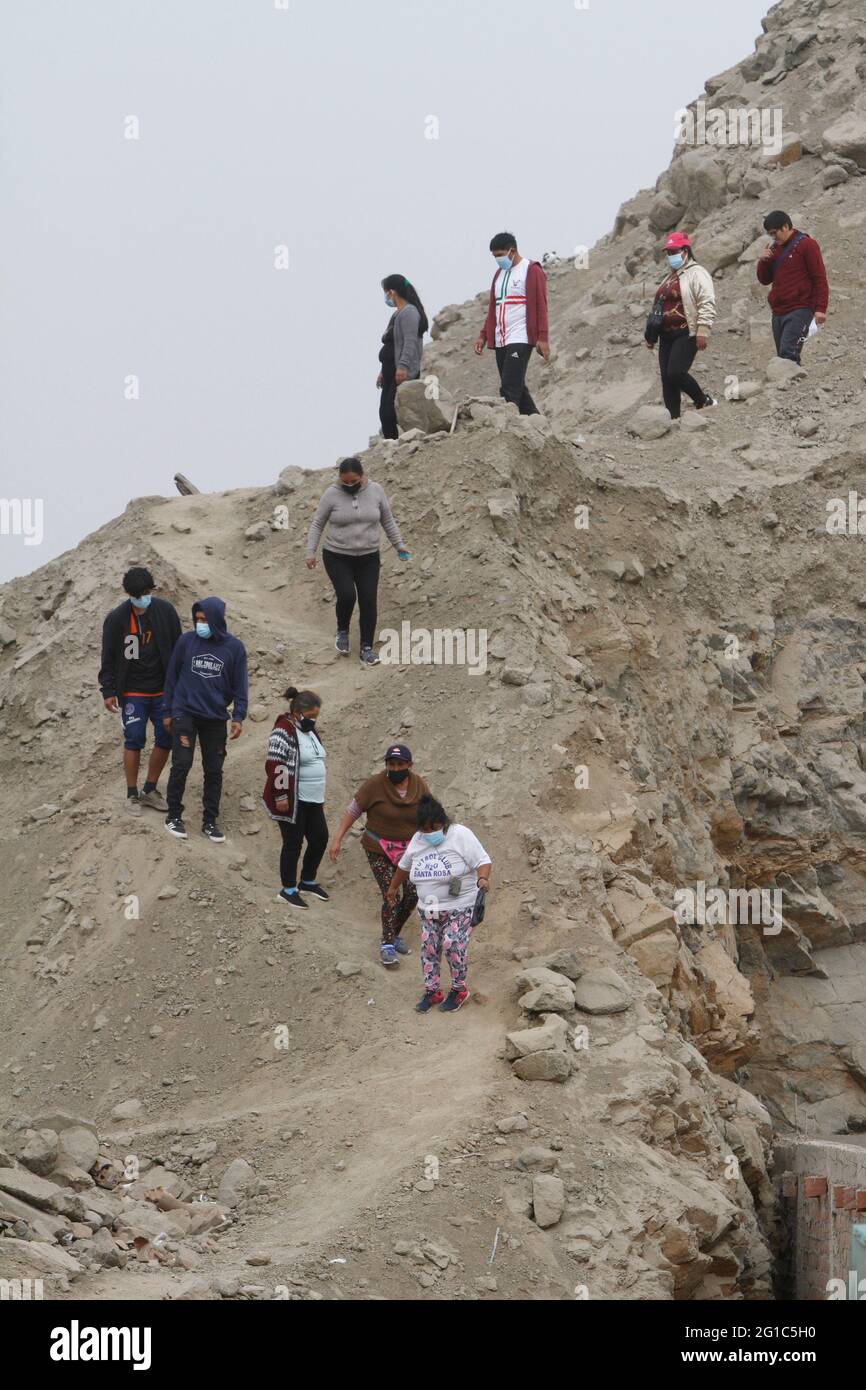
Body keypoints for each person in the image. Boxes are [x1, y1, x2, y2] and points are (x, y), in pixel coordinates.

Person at [328, 743, 431, 967]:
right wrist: (337, 837)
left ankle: (393, 933)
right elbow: (353, 810)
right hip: (379, 847)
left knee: (413, 894)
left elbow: (430, 812)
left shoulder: (419, 785)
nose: (395, 769)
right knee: (390, 894)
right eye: (391, 764)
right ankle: (386, 944)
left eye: (400, 765)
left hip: (410, 850)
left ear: (409, 765)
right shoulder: (375, 785)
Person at [387, 795, 492, 1014]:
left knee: (452, 944)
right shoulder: (418, 839)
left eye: (433, 827)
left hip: (460, 905)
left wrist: (482, 879)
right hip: (429, 907)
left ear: (443, 821)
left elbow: (483, 860)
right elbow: (404, 866)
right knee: (429, 948)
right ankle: (432, 991)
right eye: (424, 829)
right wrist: (393, 888)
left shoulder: (460, 834)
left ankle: (458, 989)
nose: (429, 833)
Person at [305, 457, 410, 665]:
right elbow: (317, 524)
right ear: (340, 479)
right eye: (346, 482)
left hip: (368, 557)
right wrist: (310, 552)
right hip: (337, 555)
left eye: (354, 481)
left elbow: (387, 520)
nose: (350, 485)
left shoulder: (376, 491)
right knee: (347, 595)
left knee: (369, 601)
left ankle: (367, 648)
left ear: (363, 476)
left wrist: (399, 546)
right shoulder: (331, 494)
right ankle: (342, 631)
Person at [161, 597, 248, 842]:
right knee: (182, 763)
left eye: (204, 620)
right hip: (184, 712)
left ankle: (210, 821)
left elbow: (241, 685)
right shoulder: (187, 641)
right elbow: (171, 677)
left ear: (217, 620)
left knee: (213, 769)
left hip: (215, 717)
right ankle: (174, 815)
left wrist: (238, 716)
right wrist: (167, 711)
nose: (200, 624)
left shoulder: (234, 648)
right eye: (197, 619)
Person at [98, 567, 182, 817]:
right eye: (139, 594)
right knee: (134, 739)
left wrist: (180, 686)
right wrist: (108, 690)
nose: (144, 597)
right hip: (133, 691)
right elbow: (108, 658)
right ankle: (132, 794)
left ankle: (150, 789)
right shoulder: (116, 619)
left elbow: (179, 649)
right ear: (129, 594)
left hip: (163, 690)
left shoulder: (165, 612)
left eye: (147, 592)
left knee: (166, 738)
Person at [262, 686, 329, 909]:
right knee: (293, 842)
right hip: (292, 800)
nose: (314, 721)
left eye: (316, 717)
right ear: (297, 712)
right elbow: (276, 764)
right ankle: (288, 889)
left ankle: (307, 881)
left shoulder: (308, 731)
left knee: (320, 838)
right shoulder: (283, 730)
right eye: (311, 716)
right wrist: (281, 795)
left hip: (313, 799)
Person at [473, 231, 550, 415]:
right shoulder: (499, 275)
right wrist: (483, 335)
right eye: (494, 256)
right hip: (501, 339)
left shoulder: (531, 270)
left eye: (500, 255)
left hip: (521, 337)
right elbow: (494, 308)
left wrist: (543, 337)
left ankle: (507, 429)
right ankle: (538, 425)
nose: (497, 259)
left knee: (509, 387)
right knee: (517, 386)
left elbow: (541, 305)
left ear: (512, 250)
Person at [645, 232, 717, 419]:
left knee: (676, 372)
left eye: (674, 251)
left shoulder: (697, 273)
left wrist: (703, 330)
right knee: (667, 380)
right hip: (665, 335)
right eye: (668, 252)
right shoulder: (669, 277)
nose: (671, 256)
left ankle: (702, 400)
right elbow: (657, 308)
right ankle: (673, 419)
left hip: (686, 332)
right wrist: (651, 336)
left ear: (685, 250)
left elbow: (706, 301)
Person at [756, 211, 829, 365]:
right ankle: (790, 386)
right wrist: (763, 261)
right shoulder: (774, 249)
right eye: (770, 234)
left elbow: (819, 277)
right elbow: (764, 280)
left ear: (785, 226)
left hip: (801, 308)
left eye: (775, 233)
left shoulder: (807, 245)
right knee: (783, 357)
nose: (773, 237)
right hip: (778, 311)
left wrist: (821, 308)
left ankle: (788, 385)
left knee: (788, 354)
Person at [377, 274, 429, 440]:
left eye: (386, 293)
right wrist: (382, 371)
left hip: (400, 369)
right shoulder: (396, 314)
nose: (386, 297)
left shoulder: (409, 312)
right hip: (389, 369)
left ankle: (397, 443)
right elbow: (391, 344)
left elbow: (410, 341)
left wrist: (403, 366)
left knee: (390, 412)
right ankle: (389, 443)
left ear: (392, 292)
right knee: (384, 411)